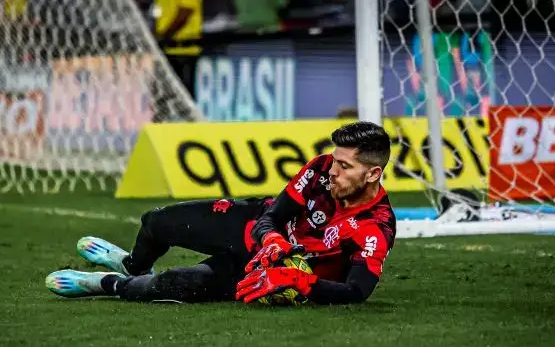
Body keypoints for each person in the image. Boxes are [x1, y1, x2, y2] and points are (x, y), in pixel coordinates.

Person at [45, 121, 396, 305]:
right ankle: (131, 264)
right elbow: (271, 216)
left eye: (345, 166)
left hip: (264, 271)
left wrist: (295, 279)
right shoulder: (321, 169)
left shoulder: (374, 229)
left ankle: (107, 284)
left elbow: (356, 293)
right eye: (335, 161)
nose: (333, 171)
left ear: (373, 174)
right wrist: (271, 237)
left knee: (178, 284)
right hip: (249, 229)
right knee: (157, 222)